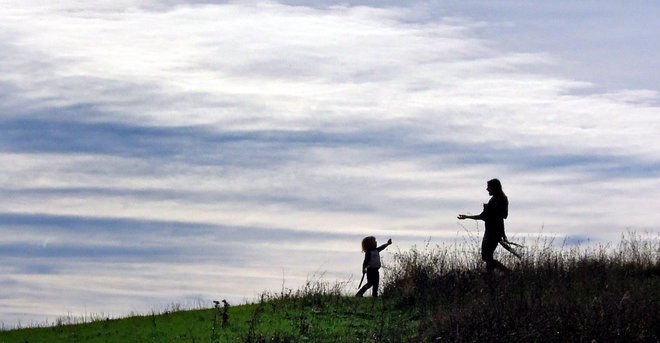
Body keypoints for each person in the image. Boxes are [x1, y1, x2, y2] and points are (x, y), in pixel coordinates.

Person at [458, 178, 510, 273]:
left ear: (494, 187)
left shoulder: (501, 199)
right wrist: (467, 217)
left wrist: (501, 233)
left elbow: (503, 216)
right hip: (490, 231)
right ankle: (490, 278)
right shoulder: (494, 199)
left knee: (487, 256)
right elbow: (484, 216)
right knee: (487, 257)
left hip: (494, 232)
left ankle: (507, 272)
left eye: (489, 187)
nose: (487, 189)